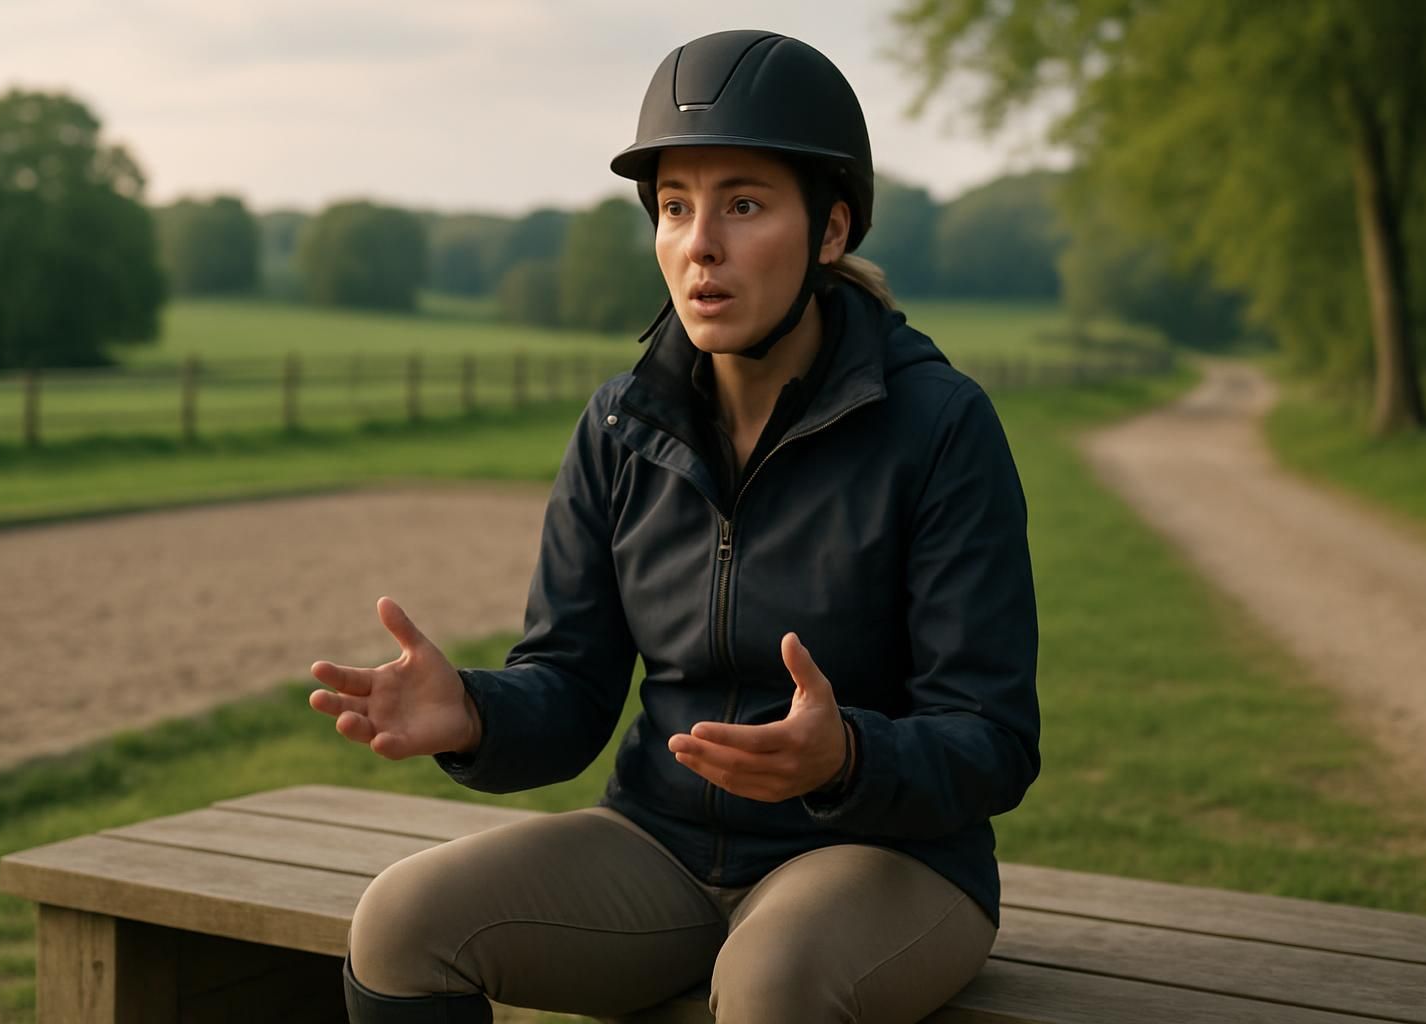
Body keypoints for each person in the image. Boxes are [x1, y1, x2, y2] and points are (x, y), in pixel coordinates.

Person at [309, 28, 1040, 1024]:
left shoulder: (940, 426)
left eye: (744, 203)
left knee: (770, 984)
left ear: (831, 231)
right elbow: (570, 687)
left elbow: (991, 738)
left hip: (888, 856)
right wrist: (476, 712)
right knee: (401, 919)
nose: (700, 243)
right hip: (662, 846)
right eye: (674, 206)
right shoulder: (621, 425)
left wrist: (846, 758)